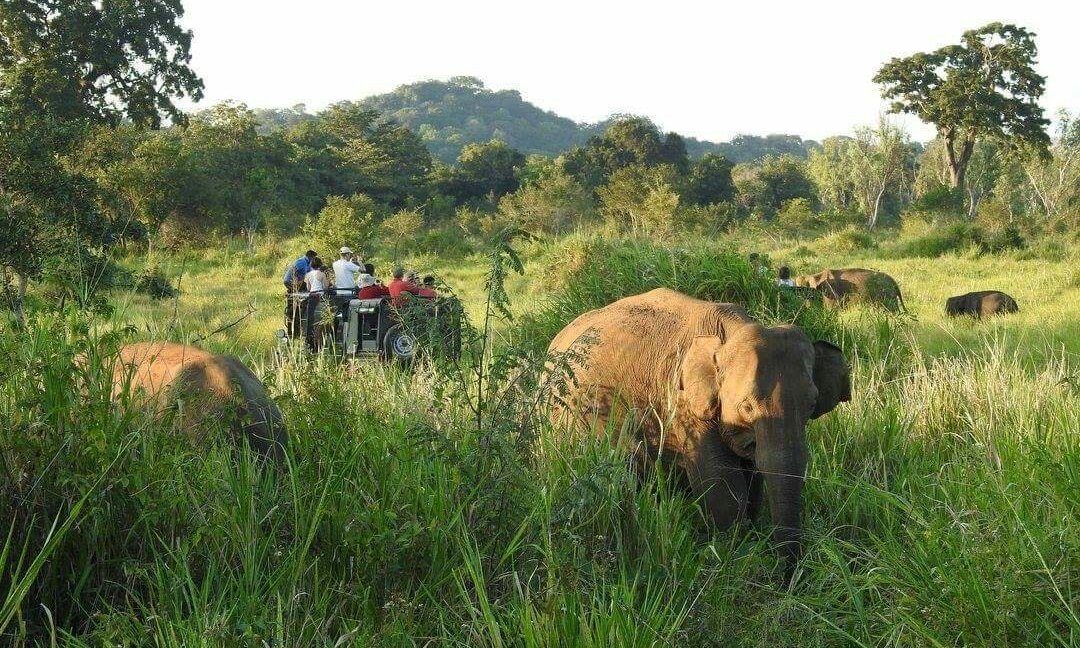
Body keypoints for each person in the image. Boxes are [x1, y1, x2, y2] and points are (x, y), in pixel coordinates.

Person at [283, 249, 316, 337]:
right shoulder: (302, 262)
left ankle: (298, 320)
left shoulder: (307, 263)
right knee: (296, 302)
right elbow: (294, 270)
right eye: (313, 259)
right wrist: (296, 282)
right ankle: (293, 319)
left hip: (296, 283)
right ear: (311, 257)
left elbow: (312, 271)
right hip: (290, 282)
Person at [303, 257, 329, 351]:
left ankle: (309, 341)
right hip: (320, 296)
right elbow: (326, 287)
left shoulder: (308, 275)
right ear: (320, 265)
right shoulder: (321, 274)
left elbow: (308, 288)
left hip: (311, 296)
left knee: (310, 319)